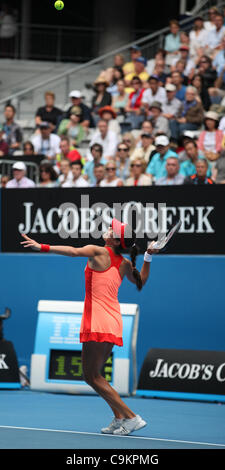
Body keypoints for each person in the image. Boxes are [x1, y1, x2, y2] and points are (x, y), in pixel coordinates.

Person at [20, 220, 159, 436]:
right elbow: (142, 282)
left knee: (91, 376)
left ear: (113, 240)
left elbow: (74, 251)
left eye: (113, 229)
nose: (109, 229)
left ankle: (132, 417)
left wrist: (43, 246)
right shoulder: (123, 263)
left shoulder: (98, 251)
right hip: (113, 321)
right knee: (95, 374)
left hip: (98, 320)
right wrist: (149, 256)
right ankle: (119, 417)